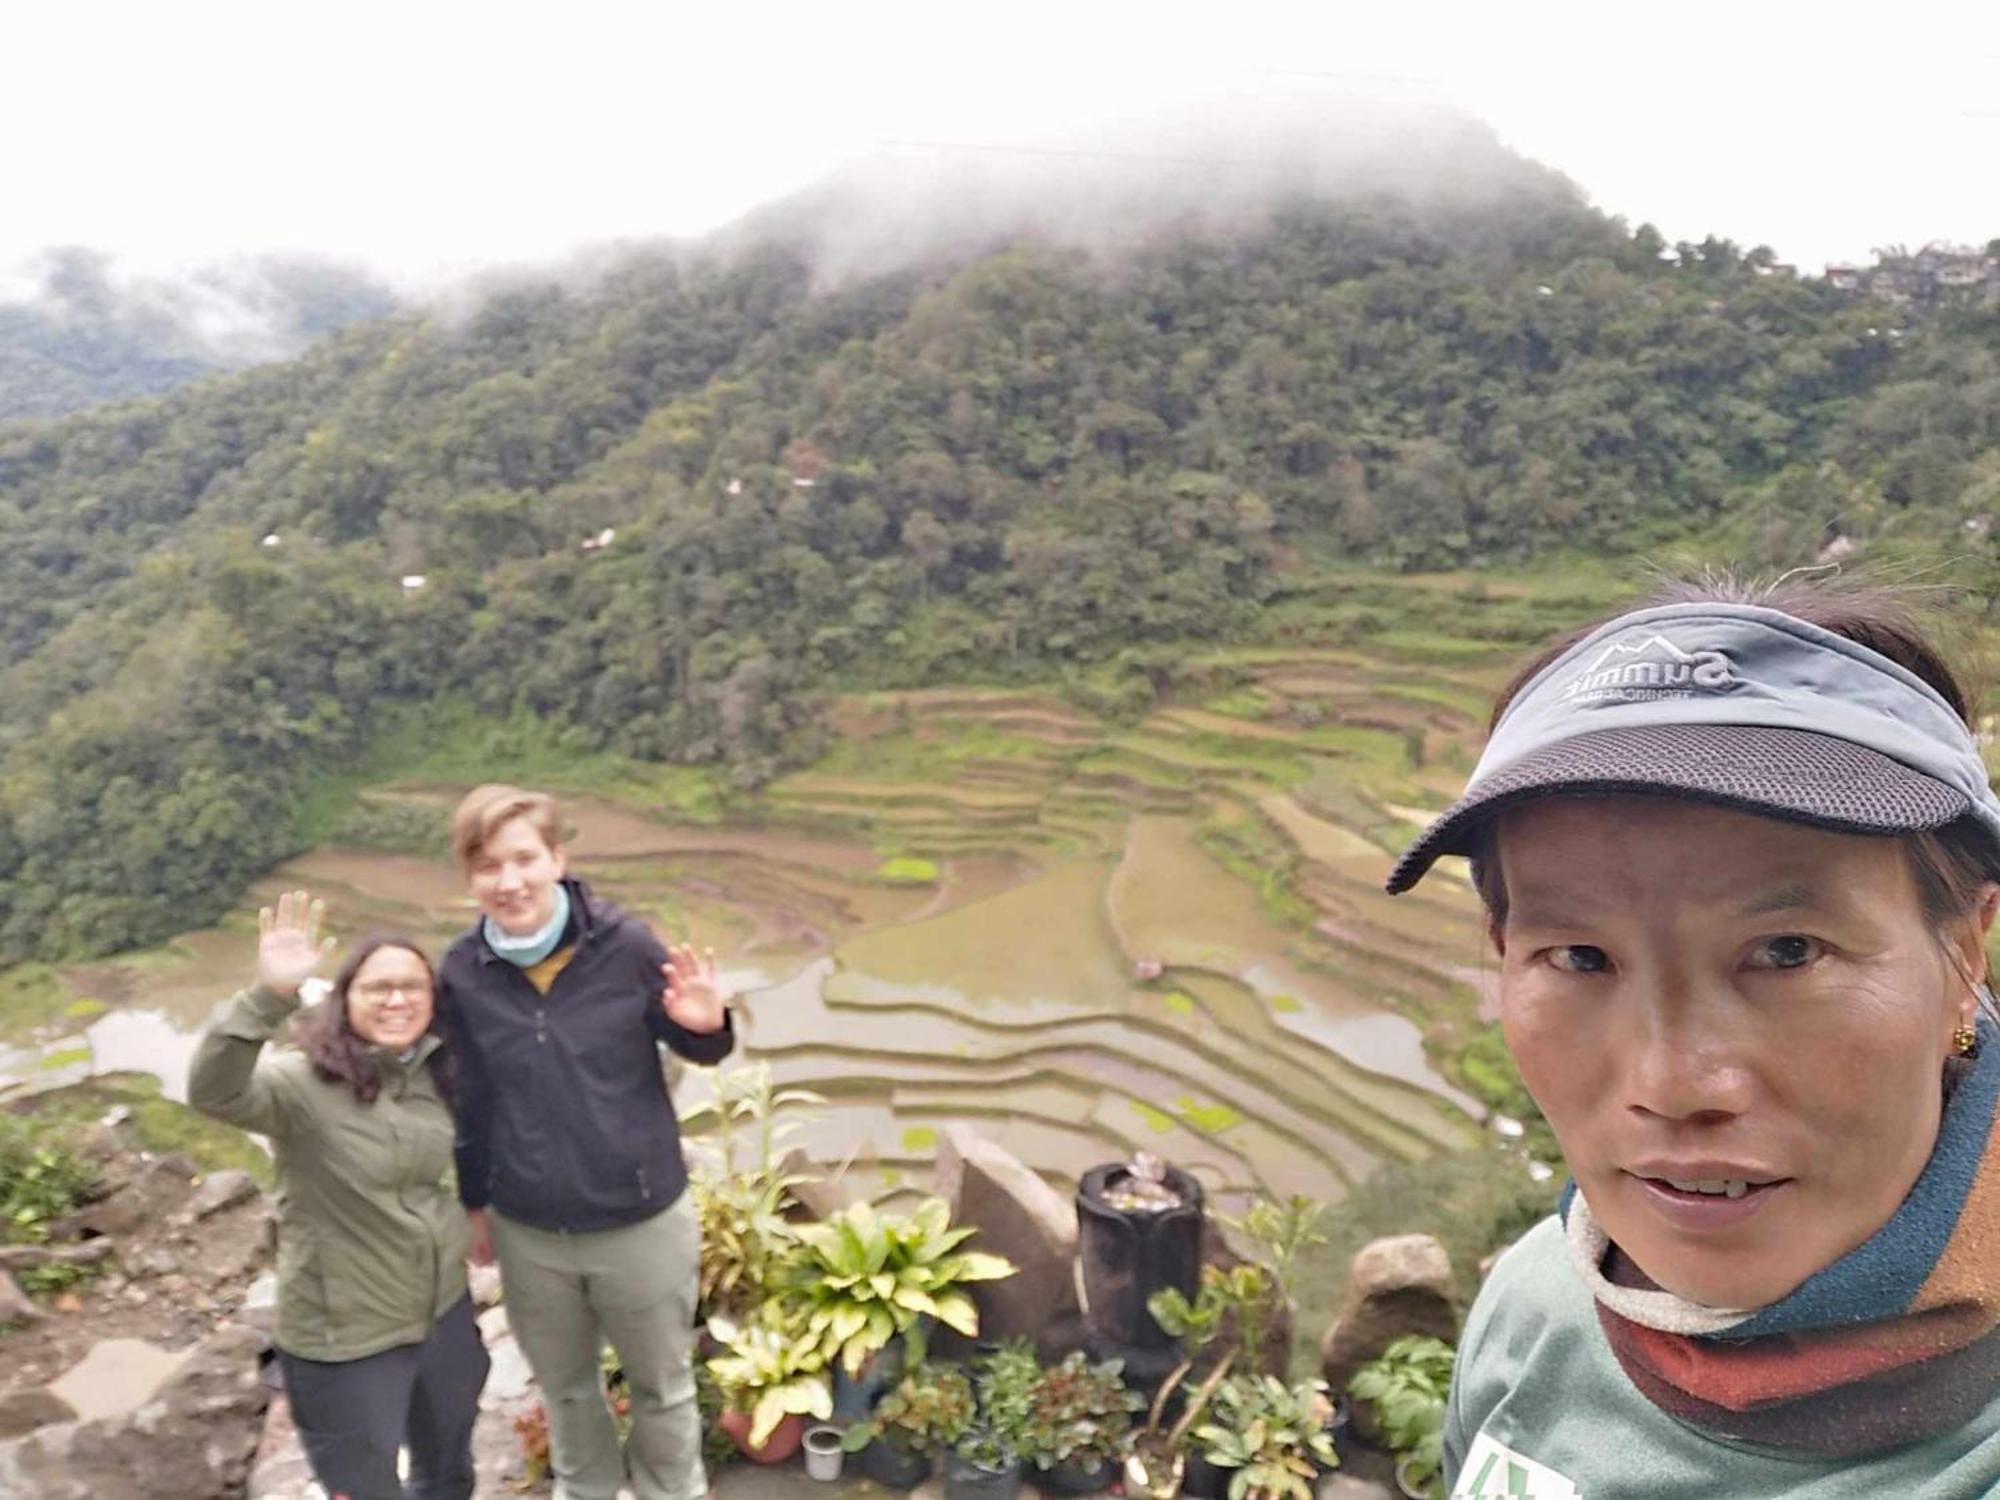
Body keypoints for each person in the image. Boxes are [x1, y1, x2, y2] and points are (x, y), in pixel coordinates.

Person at [1387, 574, 2000, 1497]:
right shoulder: (1537, 1301)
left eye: (1788, 951)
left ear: (1964, 953)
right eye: (1582, 958)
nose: (1675, 1085)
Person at [440, 783, 735, 1500]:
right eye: (488, 866)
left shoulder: (625, 946)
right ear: (470, 876)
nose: (508, 882)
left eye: (523, 859)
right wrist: (475, 1206)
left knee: (662, 1387)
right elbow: (468, 1101)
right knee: (568, 1392)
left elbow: (702, 1048)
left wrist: (706, 1025)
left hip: (639, 1219)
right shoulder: (462, 972)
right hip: (529, 1227)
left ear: (557, 858)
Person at [189, 893, 486, 1500]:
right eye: (378, 987)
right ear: (345, 1000)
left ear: (433, 1002)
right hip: (345, 1340)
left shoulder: (434, 1073)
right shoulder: (300, 1083)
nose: (397, 999)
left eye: (412, 986)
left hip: (442, 1315)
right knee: (365, 1489)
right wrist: (268, 995)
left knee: (449, 1472)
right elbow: (213, 1091)